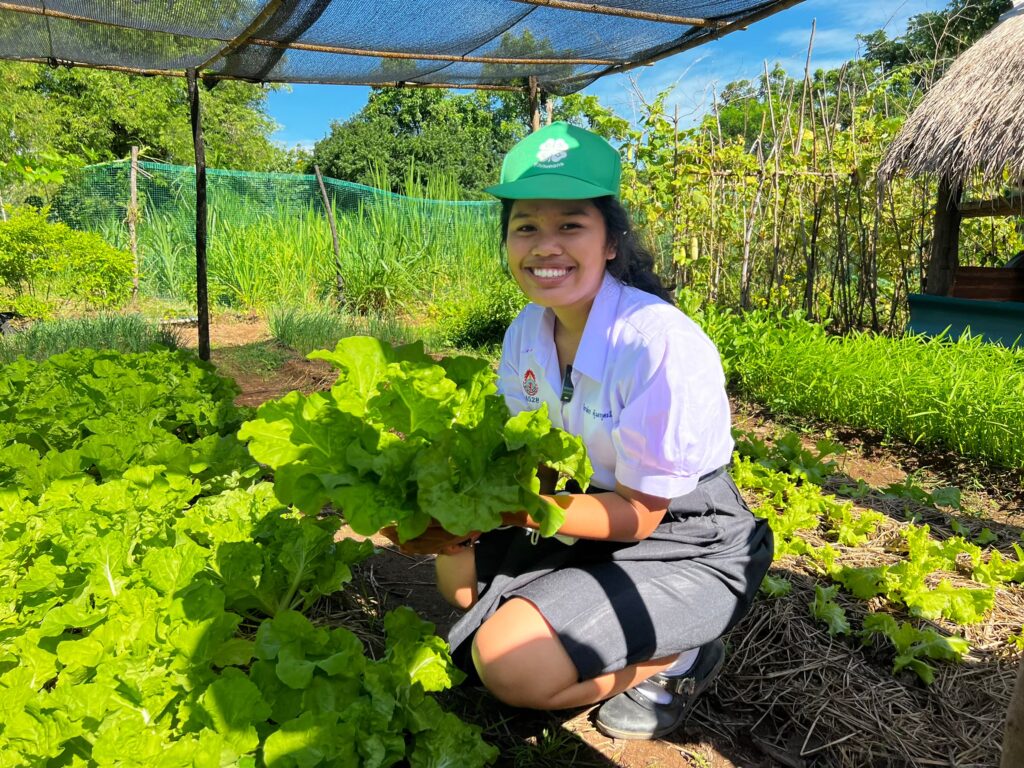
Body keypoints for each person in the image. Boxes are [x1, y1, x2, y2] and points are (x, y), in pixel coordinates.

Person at [428, 122, 773, 741]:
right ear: (507, 241)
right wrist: (455, 514)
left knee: (511, 668)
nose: (544, 245)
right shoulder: (525, 334)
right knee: (459, 592)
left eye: (570, 225)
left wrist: (515, 510)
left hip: (683, 536)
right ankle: (582, 616)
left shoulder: (655, 343)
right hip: (579, 506)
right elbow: (532, 458)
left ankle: (680, 656)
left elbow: (641, 515)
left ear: (611, 240)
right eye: (525, 226)